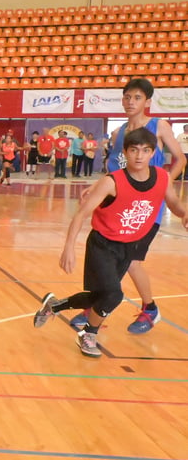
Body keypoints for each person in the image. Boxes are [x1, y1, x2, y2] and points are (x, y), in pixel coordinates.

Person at [33, 127, 188, 357]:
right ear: (125, 152)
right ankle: (88, 334)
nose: (139, 155)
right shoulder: (111, 182)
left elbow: (174, 203)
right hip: (103, 244)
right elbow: (81, 214)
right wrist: (68, 247)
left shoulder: (162, 178)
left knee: (99, 296)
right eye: (133, 150)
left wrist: (184, 213)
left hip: (129, 246)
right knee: (114, 295)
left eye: (145, 151)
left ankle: (54, 305)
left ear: (153, 153)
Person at [69, 78, 186, 334]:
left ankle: (149, 309)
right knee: (110, 256)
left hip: (146, 209)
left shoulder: (159, 126)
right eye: (127, 97)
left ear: (147, 102)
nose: (130, 102)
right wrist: (99, 185)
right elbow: (116, 168)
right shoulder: (120, 132)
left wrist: (161, 188)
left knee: (131, 259)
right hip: (120, 207)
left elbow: (180, 159)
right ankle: (100, 304)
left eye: (137, 98)